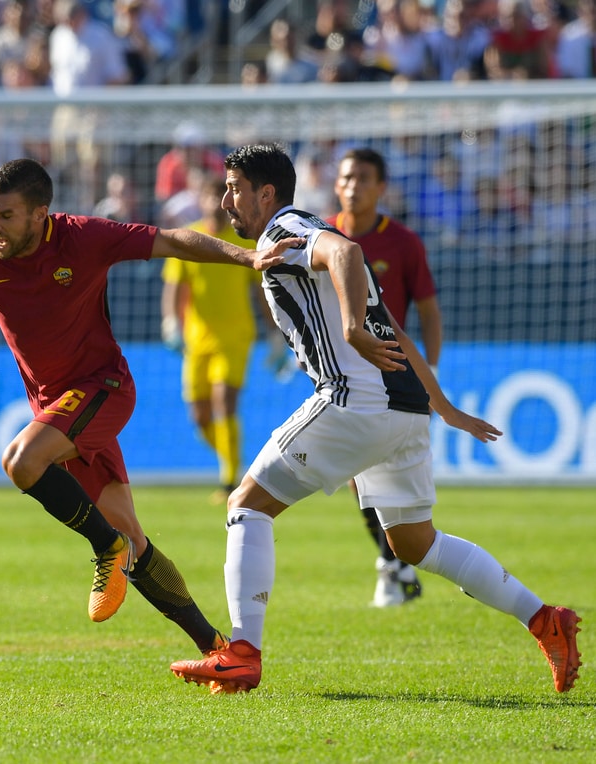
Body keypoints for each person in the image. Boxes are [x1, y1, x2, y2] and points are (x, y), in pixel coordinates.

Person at [169, 143, 582, 695]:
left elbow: (347, 253)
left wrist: (351, 329)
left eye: (234, 189)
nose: (226, 202)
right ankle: (544, 619)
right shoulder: (307, 225)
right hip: (403, 407)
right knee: (415, 543)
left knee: (247, 504)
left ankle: (242, 653)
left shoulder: (284, 229)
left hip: (354, 400)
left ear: (266, 194)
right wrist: (441, 405)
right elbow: (393, 325)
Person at [0, 157, 299, 657]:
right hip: (57, 407)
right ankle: (217, 648)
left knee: (21, 461)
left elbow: (175, 240)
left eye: (6, 215)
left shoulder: (84, 238)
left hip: (103, 388)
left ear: (39, 214)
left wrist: (247, 257)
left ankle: (104, 547)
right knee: (134, 538)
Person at [328, 147, 442, 608]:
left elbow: (429, 311)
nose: (352, 186)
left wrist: (431, 373)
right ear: (336, 184)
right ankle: (393, 566)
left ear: (381, 187)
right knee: (357, 478)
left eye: (363, 178)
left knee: (386, 480)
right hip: (339, 376)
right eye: (346, 177)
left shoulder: (403, 242)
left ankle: (393, 565)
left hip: (394, 376)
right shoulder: (322, 236)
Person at [160, 175, 274, 502]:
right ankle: (234, 462)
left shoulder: (244, 241)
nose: (216, 202)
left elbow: (261, 292)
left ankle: (229, 481)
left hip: (235, 336)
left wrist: (275, 333)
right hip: (197, 339)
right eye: (211, 195)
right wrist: (171, 322)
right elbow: (174, 287)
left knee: (225, 401)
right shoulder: (189, 237)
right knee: (200, 416)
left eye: (222, 195)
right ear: (201, 200)